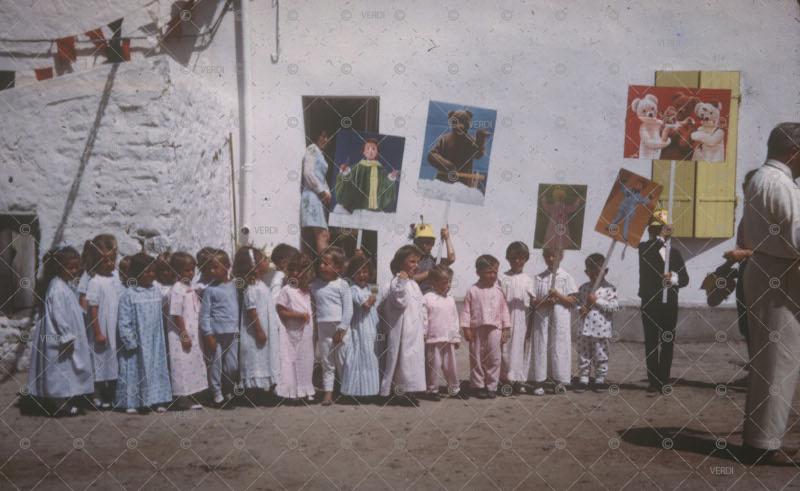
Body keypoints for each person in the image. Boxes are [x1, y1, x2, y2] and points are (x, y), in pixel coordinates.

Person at [738, 122, 800, 465]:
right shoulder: (780, 184)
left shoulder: (763, 179)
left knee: (770, 359)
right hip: (780, 273)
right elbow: (796, 237)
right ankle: (763, 445)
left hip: (767, 268)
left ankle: (763, 437)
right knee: (779, 360)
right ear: (794, 152)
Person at [27, 246, 94, 416]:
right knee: (58, 368)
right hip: (58, 335)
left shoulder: (65, 285)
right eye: (70, 267)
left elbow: (71, 307)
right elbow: (58, 314)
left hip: (67, 333)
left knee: (67, 367)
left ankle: (63, 399)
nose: (74, 271)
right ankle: (57, 403)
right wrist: (66, 335)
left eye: (76, 267)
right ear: (59, 268)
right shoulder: (56, 287)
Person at [637, 209, 689, 395]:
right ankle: (653, 381)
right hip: (650, 301)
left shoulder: (674, 253)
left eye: (660, 229)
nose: (657, 232)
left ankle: (664, 380)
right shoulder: (644, 248)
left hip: (669, 303)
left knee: (667, 341)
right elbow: (648, 254)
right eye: (655, 229)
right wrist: (660, 237)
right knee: (651, 342)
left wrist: (673, 278)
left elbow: (685, 278)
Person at [114, 253, 172, 413]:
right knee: (134, 371)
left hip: (155, 341)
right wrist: (129, 340)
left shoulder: (156, 291)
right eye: (146, 272)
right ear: (136, 273)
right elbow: (123, 321)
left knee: (156, 369)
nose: (150, 275)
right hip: (137, 342)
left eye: (153, 271)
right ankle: (131, 402)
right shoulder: (129, 294)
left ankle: (157, 399)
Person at [379, 245, 427, 405]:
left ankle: (410, 389)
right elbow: (400, 301)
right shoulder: (396, 282)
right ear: (400, 263)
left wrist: (424, 327)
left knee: (413, 361)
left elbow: (421, 306)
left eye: (417, 262)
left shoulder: (413, 284)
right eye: (412, 261)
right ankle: (399, 392)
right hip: (401, 331)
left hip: (414, 331)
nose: (416, 265)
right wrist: (402, 280)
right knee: (401, 361)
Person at [234, 246, 281, 401]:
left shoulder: (261, 284)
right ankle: (251, 393)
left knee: (264, 357)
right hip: (255, 332)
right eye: (263, 259)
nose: (267, 261)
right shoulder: (252, 288)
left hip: (265, 328)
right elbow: (251, 311)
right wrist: (259, 330)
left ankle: (262, 390)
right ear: (253, 265)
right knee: (254, 359)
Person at [528, 248, 577, 395]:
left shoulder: (566, 277)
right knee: (541, 344)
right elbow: (534, 302)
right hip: (542, 318)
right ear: (544, 257)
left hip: (560, 317)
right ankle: (539, 381)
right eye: (548, 255)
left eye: (554, 255)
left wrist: (558, 295)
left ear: (561, 256)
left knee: (559, 345)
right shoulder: (538, 278)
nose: (551, 258)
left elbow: (572, 301)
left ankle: (559, 380)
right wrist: (546, 301)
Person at [460, 255, 511, 399]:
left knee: (494, 358)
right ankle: (478, 386)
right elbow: (466, 311)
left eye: (495, 272)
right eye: (489, 272)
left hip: (495, 329)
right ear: (479, 272)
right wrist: (466, 329)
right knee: (476, 357)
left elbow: (504, 310)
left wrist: (506, 328)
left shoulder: (498, 291)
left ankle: (492, 386)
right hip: (477, 329)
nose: (493, 275)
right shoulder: (473, 290)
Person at [309, 246, 353, 406]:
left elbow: (348, 309)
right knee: (327, 362)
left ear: (338, 268)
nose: (322, 266)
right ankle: (328, 394)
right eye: (321, 263)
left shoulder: (342, 285)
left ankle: (346, 391)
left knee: (343, 361)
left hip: (340, 330)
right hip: (323, 329)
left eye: (326, 264)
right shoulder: (315, 285)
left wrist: (342, 329)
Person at [166, 252, 207, 410]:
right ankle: (181, 397)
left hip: (193, 331)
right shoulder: (177, 290)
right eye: (186, 271)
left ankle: (192, 393)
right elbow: (176, 314)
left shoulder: (189, 287)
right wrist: (183, 334)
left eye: (192, 270)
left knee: (193, 362)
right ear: (176, 271)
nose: (191, 274)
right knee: (182, 364)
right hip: (181, 333)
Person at [85, 237, 122, 410]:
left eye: (112, 260)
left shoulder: (116, 278)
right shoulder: (95, 282)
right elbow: (92, 309)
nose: (110, 264)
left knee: (113, 360)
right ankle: (96, 393)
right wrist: (98, 332)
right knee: (99, 360)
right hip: (101, 327)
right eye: (105, 260)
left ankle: (112, 393)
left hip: (115, 325)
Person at [574, 253, 620, 393]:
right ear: (586, 271)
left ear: (605, 271)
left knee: (601, 353)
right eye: (591, 270)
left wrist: (597, 301)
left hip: (601, 329)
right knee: (584, 353)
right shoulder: (583, 288)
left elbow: (614, 307)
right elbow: (577, 304)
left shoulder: (609, 289)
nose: (594, 273)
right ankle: (584, 377)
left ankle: (600, 378)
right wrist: (580, 308)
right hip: (584, 328)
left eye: (598, 270)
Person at [199, 250, 239, 407]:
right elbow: (204, 315)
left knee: (232, 365)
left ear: (227, 266)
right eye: (210, 268)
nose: (212, 271)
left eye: (216, 267)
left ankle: (228, 389)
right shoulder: (210, 290)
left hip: (233, 333)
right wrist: (208, 334)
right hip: (216, 334)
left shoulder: (235, 286)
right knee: (216, 364)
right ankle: (217, 394)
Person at [275, 253, 316, 403]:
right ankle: (293, 391)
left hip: (306, 333)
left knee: (306, 360)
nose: (294, 274)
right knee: (292, 361)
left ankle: (306, 389)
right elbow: (281, 310)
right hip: (292, 333)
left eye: (298, 271)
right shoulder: (287, 290)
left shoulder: (307, 290)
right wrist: (297, 315)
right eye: (292, 270)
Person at [339, 255, 381, 398]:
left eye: (365, 271)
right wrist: (374, 294)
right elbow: (366, 305)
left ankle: (371, 389)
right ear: (352, 274)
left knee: (372, 355)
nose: (362, 275)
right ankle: (356, 390)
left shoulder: (370, 288)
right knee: (361, 354)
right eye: (358, 272)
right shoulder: (354, 290)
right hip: (360, 327)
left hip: (372, 326)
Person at [499, 241, 536, 394]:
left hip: (522, 320)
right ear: (508, 258)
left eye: (521, 258)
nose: (517, 261)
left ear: (526, 259)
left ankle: (518, 380)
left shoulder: (528, 280)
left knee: (519, 349)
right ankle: (504, 380)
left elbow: (533, 304)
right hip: (505, 318)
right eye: (514, 258)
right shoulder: (502, 278)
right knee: (504, 348)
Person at [423, 265, 462, 400]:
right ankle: (432, 390)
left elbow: (454, 318)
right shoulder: (428, 298)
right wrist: (423, 333)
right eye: (445, 282)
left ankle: (454, 388)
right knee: (433, 366)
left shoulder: (450, 299)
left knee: (451, 366)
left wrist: (456, 337)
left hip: (448, 338)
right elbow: (424, 318)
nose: (448, 285)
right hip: (433, 339)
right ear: (434, 283)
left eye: (449, 281)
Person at [334, 138, 399, 213]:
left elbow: (385, 185)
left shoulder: (380, 170)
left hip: (375, 211)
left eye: (373, 149)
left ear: (377, 152)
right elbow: (347, 180)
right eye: (368, 149)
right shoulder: (357, 168)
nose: (370, 151)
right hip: (358, 209)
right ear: (364, 152)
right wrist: (345, 172)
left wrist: (391, 177)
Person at [300, 129, 333, 255]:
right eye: (323, 136)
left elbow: (321, 177)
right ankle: (327, 268)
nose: (325, 140)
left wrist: (327, 191)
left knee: (321, 235)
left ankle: (320, 268)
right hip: (312, 196)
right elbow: (308, 173)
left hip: (317, 198)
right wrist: (321, 191)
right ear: (316, 136)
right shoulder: (312, 149)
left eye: (327, 137)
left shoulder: (320, 152)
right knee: (322, 235)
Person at [411, 221, 455, 294]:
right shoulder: (411, 260)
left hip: (432, 298)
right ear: (416, 242)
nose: (425, 246)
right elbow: (410, 279)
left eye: (430, 242)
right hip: (416, 299)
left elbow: (451, 259)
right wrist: (430, 273)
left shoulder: (433, 261)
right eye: (422, 242)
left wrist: (447, 238)